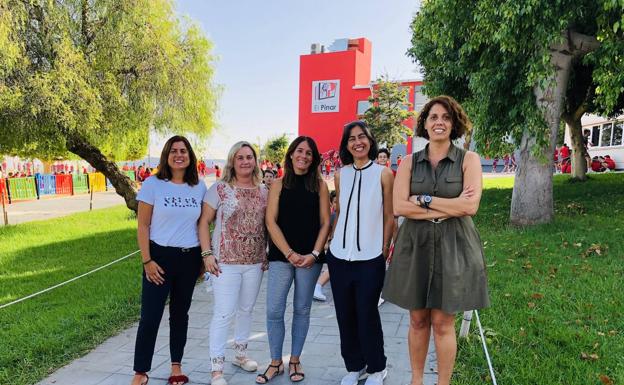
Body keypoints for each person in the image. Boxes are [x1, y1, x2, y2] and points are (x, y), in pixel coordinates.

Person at [383, 95, 490, 385]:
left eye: (445, 117)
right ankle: (416, 380)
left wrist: (425, 199)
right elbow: (400, 207)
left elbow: (470, 207)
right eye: (433, 117)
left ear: (454, 123)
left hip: (454, 245)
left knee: (443, 322)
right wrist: (449, 204)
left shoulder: (469, 160)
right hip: (415, 246)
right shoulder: (408, 162)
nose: (439, 122)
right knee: (418, 319)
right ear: (425, 124)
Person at [130, 135, 207, 385]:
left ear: (190, 155)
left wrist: (204, 258)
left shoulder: (199, 186)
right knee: (150, 316)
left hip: (189, 258)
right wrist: (147, 261)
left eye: (183, 150)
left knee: (180, 315)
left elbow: (203, 224)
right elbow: (142, 226)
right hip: (159, 258)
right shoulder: (153, 184)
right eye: (174, 151)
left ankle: (176, 367)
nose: (179, 155)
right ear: (166, 155)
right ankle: (141, 371)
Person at [258, 136, 331, 383]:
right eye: (300, 151)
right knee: (274, 310)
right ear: (291, 154)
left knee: (302, 309)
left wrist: (314, 254)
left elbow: (325, 223)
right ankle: (276, 361)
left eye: (309, 153)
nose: (304, 156)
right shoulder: (277, 184)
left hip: (311, 258)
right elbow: (270, 222)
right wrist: (289, 253)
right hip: (281, 256)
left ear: (314, 158)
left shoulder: (320, 186)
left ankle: (295, 360)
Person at [327, 120, 394, 385]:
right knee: (345, 314)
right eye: (351, 138)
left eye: (362, 136)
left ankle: (377, 368)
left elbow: (390, 216)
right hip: (339, 257)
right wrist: (331, 240)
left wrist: (384, 249)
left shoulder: (383, 173)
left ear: (370, 140)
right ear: (346, 145)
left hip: (370, 258)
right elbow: (340, 211)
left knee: (367, 313)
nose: (357, 142)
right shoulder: (340, 174)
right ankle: (355, 366)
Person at [199, 142, 268, 385]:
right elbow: (204, 222)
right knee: (223, 313)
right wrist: (207, 254)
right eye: (240, 157)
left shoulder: (263, 191)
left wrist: (267, 252)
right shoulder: (219, 189)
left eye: (250, 157)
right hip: (225, 263)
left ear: (255, 161)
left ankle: (240, 354)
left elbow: (267, 224)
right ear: (232, 161)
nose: (245, 161)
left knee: (246, 309)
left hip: (255, 262)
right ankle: (216, 368)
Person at [313, 190, 337, 301]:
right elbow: (326, 240)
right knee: (334, 267)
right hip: (333, 249)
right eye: (335, 202)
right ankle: (318, 285)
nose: (338, 204)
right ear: (331, 203)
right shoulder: (332, 217)